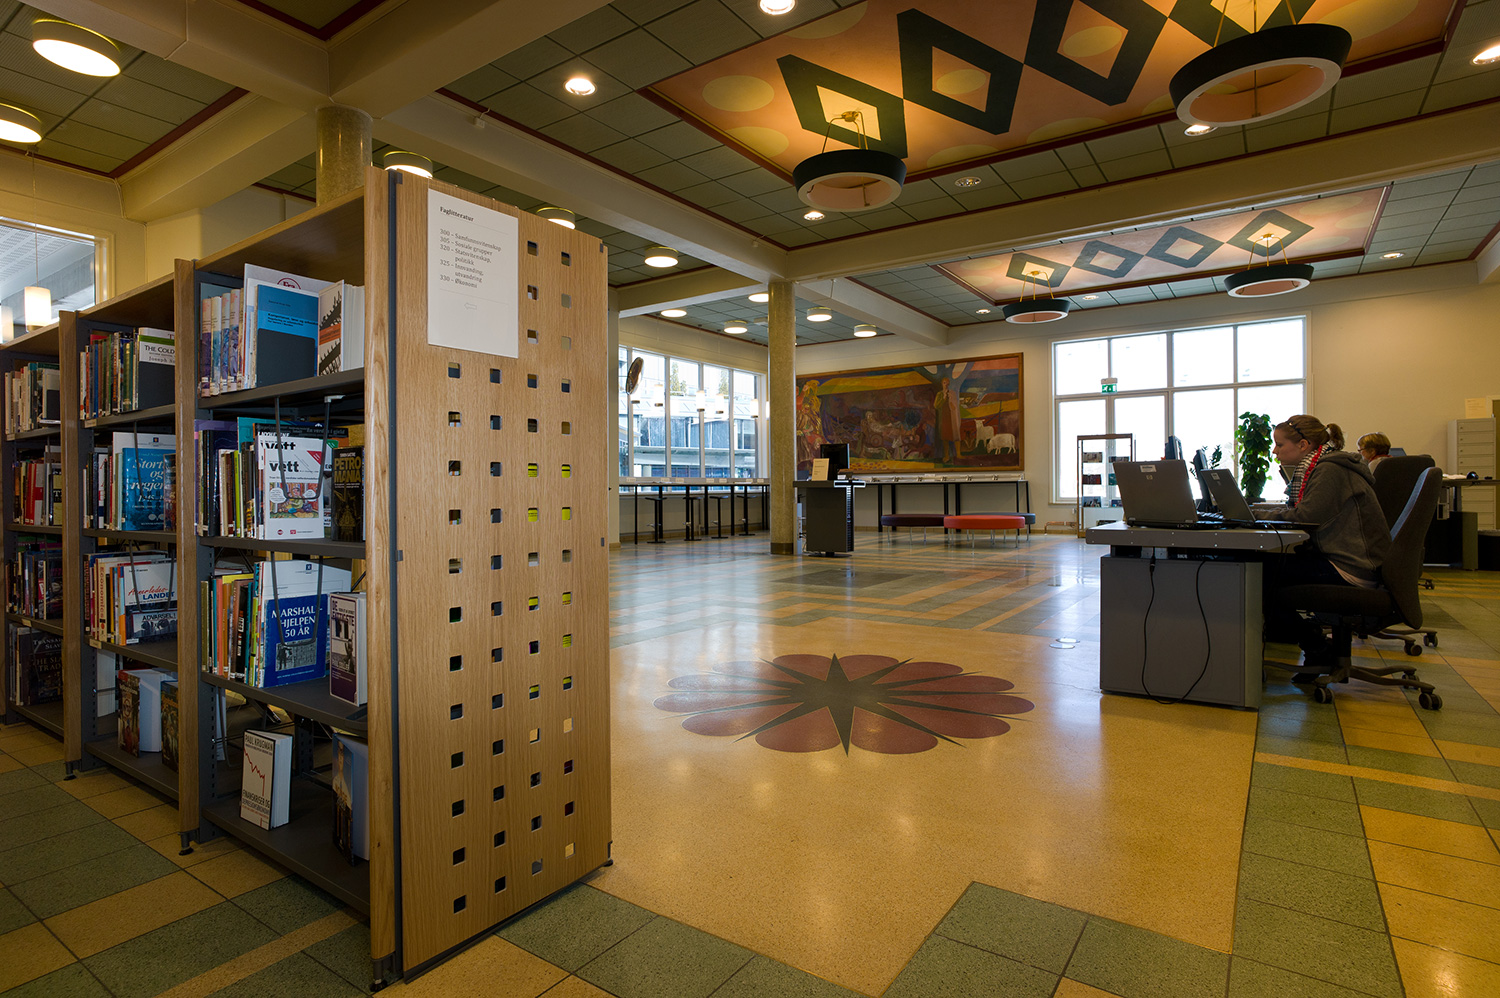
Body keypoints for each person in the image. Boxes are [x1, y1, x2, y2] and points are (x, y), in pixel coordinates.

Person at [1257, 414, 1391, 670]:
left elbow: (1306, 516)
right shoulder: (1323, 466)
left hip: (1350, 567)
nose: (1275, 451)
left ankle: (1316, 647)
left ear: (1303, 445)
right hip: (1351, 560)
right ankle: (1315, 645)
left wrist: (1256, 515)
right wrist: (1260, 514)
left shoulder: (1330, 470)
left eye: (1280, 444)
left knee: (1255, 573)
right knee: (1262, 568)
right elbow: (1305, 512)